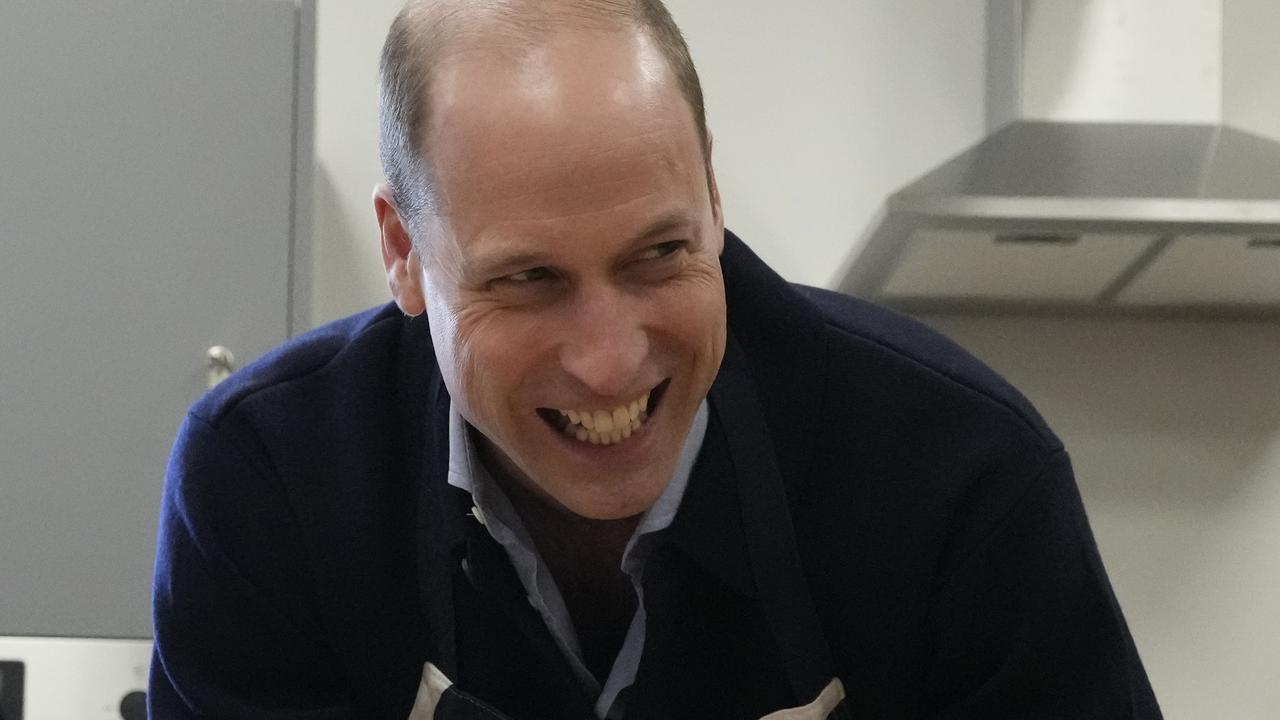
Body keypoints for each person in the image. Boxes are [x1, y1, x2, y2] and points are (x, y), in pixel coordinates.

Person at [148, 1, 1162, 718]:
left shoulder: (960, 482)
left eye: (658, 254)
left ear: (712, 199)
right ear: (404, 251)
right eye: (528, 279)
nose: (606, 360)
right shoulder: (264, 485)